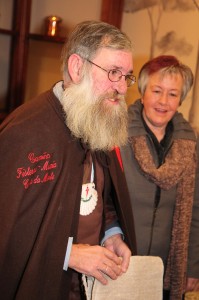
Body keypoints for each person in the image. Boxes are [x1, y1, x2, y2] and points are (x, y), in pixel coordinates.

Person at [0, 20, 137, 299]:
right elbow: (6, 229)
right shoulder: (25, 131)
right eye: (113, 72)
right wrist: (68, 254)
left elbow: (101, 193)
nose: (122, 87)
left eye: (127, 76)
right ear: (77, 68)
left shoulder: (96, 119)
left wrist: (111, 233)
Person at [119, 55, 199, 300]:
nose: (164, 101)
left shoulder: (191, 145)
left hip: (166, 271)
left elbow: (196, 209)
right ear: (143, 93)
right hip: (119, 262)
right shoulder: (117, 137)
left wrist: (192, 266)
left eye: (173, 94)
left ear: (180, 100)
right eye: (157, 91)